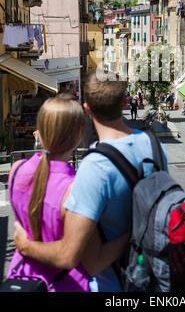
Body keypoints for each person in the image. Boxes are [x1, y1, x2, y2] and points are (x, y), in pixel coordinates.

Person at [13, 71, 168, 292]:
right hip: (155, 276)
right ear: (125, 102)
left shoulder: (94, 167)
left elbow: (82, 259)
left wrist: (26, 246)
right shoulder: (154, 146)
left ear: (87, 109)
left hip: (116, 284)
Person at [8, 95, 127, 292]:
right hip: (63, 286)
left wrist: (26, 245)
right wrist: (128, 236)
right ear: (79, 134)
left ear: (41, 131)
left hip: (21, 279)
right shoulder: (75, 189)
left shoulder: (16, 170)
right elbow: (89, 261)